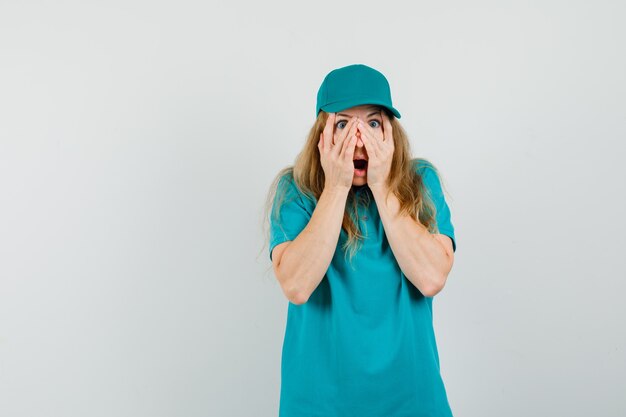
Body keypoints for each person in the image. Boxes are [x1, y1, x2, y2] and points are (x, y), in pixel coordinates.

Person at [264, 63, 457, 417]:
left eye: (372, 123)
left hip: (413, 401)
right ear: (322, 136)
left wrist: (383, 186)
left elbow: (432, 278)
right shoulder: (295, 191)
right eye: (343, 125)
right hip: (318, 404)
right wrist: (336, 186)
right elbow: (296, 285)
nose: (360, 140)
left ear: (390, 133)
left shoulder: (421, 182)